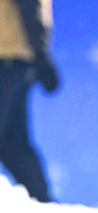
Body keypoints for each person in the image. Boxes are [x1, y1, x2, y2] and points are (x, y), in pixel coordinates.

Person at [0, 0, 59, 202]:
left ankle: (42, 205)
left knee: (12, 140)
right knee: (12, 141)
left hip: (11, 55)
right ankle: (42, 202)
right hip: (11, 55)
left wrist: (39, 54)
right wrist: (40, 54)